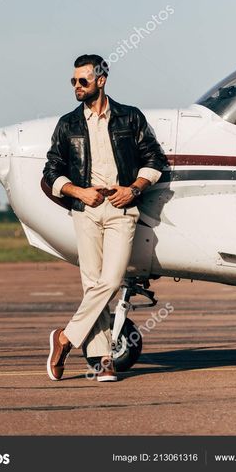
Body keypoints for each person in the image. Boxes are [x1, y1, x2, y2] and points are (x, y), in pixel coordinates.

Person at [42, 53, 167, 382]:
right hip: (85, 211)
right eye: (72, 81)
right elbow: (51, 170)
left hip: (122, 210)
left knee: (110, 281)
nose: (76, 87)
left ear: (101, 80)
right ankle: (101, 360)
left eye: (82, 81)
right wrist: (78, 192)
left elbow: (154, 159)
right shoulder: (68, 124)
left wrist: (135, 189)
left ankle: (65, 338)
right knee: (92, 286)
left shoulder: (130, 117)